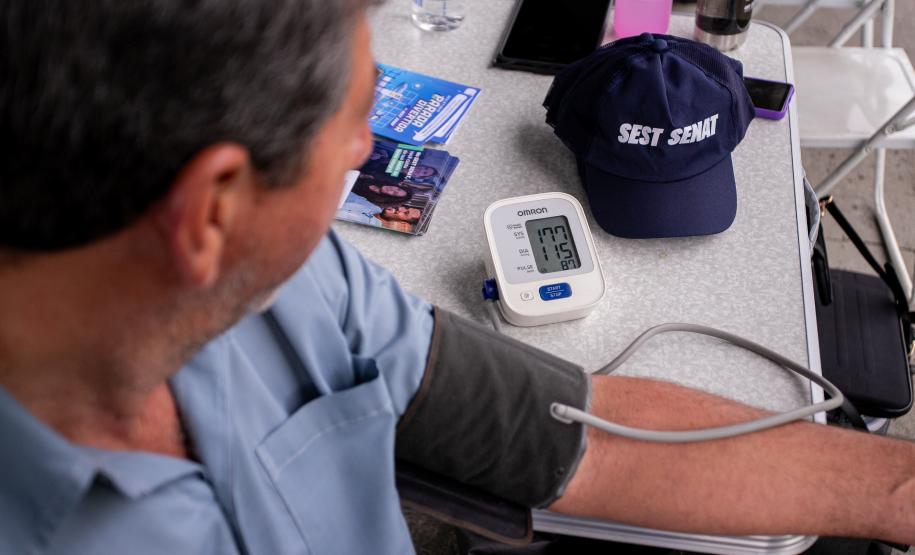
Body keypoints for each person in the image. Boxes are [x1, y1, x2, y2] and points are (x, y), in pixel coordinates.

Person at [0, 2, 913, 554]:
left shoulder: (291, 285)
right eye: (355, 122)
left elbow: (579, 433)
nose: (369, 146)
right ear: (210, 211)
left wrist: (893, 492)